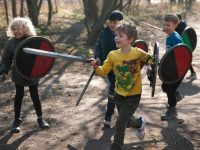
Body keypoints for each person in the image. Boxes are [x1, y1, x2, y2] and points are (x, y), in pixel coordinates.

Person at [91, 20, 153, 150]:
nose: (116, 38)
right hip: (119, 94)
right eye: (116, 35)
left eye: (120, 36)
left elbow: (149, 58)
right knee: (127, 121)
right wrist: (95, 66)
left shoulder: (137, 52)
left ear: (130, 39)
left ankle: (116, 147)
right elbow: (103, 72)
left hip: (134, 95)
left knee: (120, 122)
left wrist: (150, 66)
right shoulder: (112, 55)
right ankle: (139, 123)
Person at [0, 17, 50, 133]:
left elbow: (42, 56)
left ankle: (40, 119)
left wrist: (42, 69)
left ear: (25, 29)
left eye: (19, 29)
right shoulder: (11, 42)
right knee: (19, 94)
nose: (16, 31)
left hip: (32, 72)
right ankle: (17, 120)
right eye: (14, 29)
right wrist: (3, 71)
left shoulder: (33, 40)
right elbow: (6, 59)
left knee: (35, 94)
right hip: (19, 72)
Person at [95, 10, 123, 128]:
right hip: (108, 66)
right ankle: (122, 116)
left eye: (116, 22)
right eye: (111, 22)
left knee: (113, 90)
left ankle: (108, 116)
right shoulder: (104, 33)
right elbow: (99, 46)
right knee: (115, 91)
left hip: (120, 68)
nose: (113, 24)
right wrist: (97, 57)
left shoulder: (123, 35)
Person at [161, 13, 184, 121]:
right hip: (171, 68)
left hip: (178, 69)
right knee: (165, 87)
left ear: (175, 25)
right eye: (164, 25)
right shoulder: (169, 36)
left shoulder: (176, 38)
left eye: (168, 25)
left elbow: (182, 55)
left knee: (170, 89)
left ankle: (172, 109)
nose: (165, 27)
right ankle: (176, 95)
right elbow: (169, 54)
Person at [176, 13, 197, 80]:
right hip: (183, 46)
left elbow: (178, 34)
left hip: (185, 45)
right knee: (184, 60)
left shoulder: (182, 26)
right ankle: (191, 74)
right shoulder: (179, 25)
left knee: (184, 60)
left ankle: (191, 74)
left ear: (179, 19)